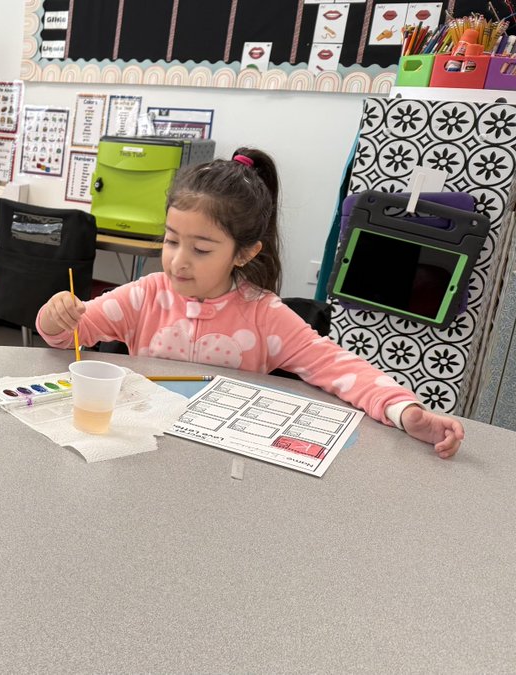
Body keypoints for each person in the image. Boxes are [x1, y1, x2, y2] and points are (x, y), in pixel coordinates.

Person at [37, 148, 464, 459]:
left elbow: (340, 369)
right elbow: (69, 335)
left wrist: (403, 409)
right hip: (143, 450)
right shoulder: (144, 295)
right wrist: (56, 314)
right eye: (171, 241)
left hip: (224, 463)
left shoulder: (265, 315)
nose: (179, 261)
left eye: (201, 249)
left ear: (244, 253)